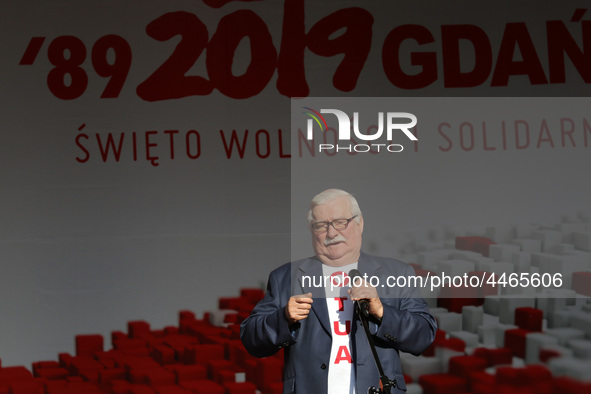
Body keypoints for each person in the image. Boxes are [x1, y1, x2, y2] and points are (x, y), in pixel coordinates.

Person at [240, 189, 437, 394]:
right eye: (321, 225)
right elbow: (251, 339)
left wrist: (382, 312)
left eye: (341, 222)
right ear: (311, 230)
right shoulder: (286, 277)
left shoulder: (397, 272)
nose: (332, 233)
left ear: (360, 223)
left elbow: (423, 336)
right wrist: (284, 318)